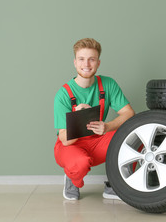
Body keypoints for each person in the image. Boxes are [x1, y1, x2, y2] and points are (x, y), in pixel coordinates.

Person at [54, 38, 135, 200]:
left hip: (98, 140)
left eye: (91, 59)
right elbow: (65, 140)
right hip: (70, 145)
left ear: (98, 63)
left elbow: (129, 113)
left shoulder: (108, 84)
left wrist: (107, 126)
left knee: (133, 136)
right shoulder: (63, 94)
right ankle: (73, 179)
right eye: (82, 59)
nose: (86, 64)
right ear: (75, 62)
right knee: (80, 163)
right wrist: (78, 117)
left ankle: (115, 184)